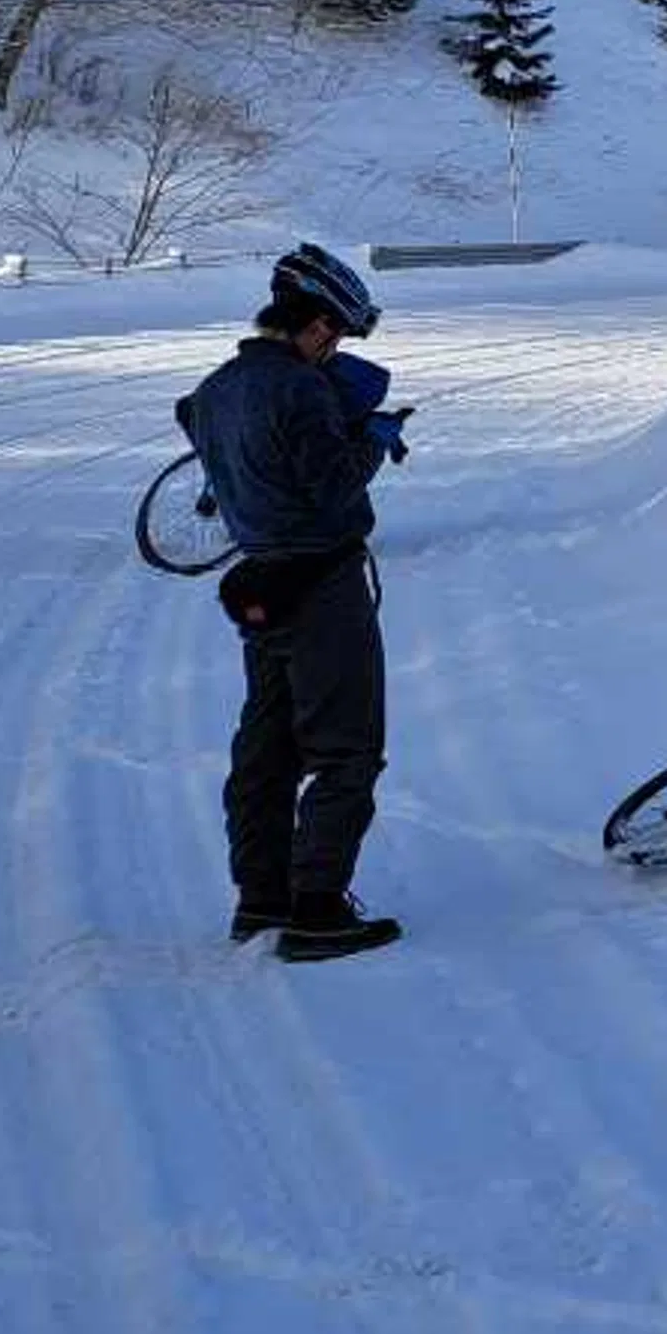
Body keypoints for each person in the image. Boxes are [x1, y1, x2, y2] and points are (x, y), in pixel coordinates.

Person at [183, 240, 401, 962]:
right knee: (347, 749)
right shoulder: (301, 389)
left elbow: (203, 435)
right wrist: (371, 437)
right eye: (333, 334)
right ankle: (317, 909)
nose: (333, 346)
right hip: (321, 585)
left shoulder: (217, 388)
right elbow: (334, 489)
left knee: (268, 750)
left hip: (262, 583)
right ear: (313, 325)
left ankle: (261, 900)